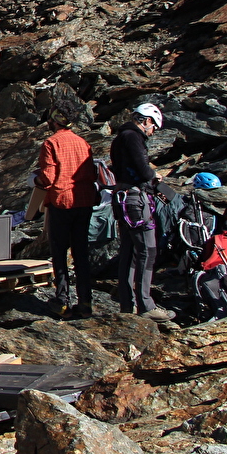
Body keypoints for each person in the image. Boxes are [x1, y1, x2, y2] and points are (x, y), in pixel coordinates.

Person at [109, 103, 174, 321]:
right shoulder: (133, 137)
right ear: (145, 120)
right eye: (153, 125)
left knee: (128, 251)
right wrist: (154, 176)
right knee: (147, 250)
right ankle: (146, 305)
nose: (153, 130)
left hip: (122, 197)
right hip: (135, 200)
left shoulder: (121, 137)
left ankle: (128, 306)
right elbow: (142, 169)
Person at [37, 107, 100, 319]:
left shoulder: (51, 143)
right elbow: (92, 172)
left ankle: (62, 300)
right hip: (84, 200)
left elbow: (48, 177)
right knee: (81, 252)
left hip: (62, 202)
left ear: (54, 122)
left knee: (60, 251)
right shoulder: (83, 142)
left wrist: (35, 181)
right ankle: (85, 302)